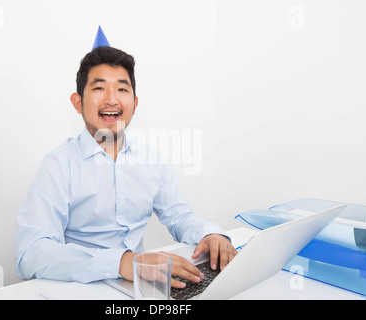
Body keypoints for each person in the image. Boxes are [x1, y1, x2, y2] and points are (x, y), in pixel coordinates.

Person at [15, 46, 237, 289]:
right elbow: (30, 253)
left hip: (139, 286)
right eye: (99, 88)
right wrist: (122, 262)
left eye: (122, 89)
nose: (111, 99)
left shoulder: (151, 159)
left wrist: (210, 234)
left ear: (134, 102)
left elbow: (179, 215)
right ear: (78, 103)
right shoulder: (59, 165)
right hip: (80, 287)